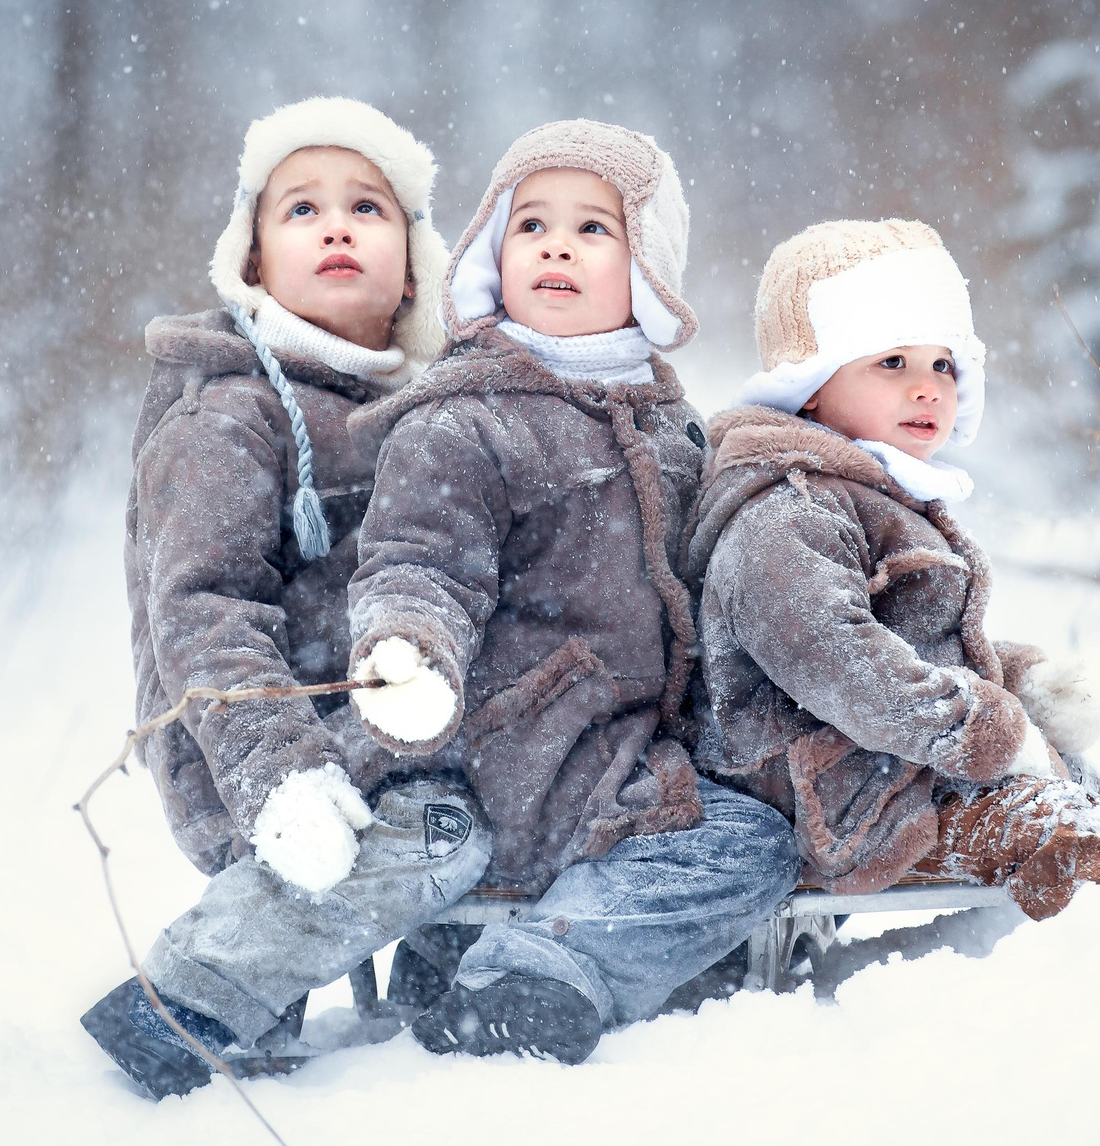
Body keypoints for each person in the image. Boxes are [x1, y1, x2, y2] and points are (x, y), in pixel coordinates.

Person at [343, 119, 801, 1065]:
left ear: (649, 270)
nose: (557, 244)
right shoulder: (463, 420)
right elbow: (417, 561)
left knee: (761, 807)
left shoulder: (670, 422)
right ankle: (543, 965)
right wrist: (406, 645)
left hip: (627, 743)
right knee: (749, 844)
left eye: (595, 228)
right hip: (524, 752)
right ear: (491, 254)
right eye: (531, 224)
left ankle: (475, 951)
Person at [82, 96, 489, 1101]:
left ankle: (437, 1005)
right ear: (253, 260)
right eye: (300, 210)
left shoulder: (425, 411)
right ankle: (190, 996)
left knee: (517, 797)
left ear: (413, 264)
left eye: (368, 207)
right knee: (449, 832)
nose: (337, 224)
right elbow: (203, 613)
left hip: (390, 735)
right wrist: (280, 780)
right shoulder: (231, 412)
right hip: (258, 752)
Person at [689, 218, 1100, 922]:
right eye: (892, 363)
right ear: (810, 386)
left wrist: (1020, 682)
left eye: (943, 364)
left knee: (1070, 783)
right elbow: (836, 657)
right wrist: (984, 727)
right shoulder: (787, 511)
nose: (927, 387)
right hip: (842, 795)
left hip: (905, 766)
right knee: (1052, 821)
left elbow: (923, 644)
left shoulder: (878, 492)